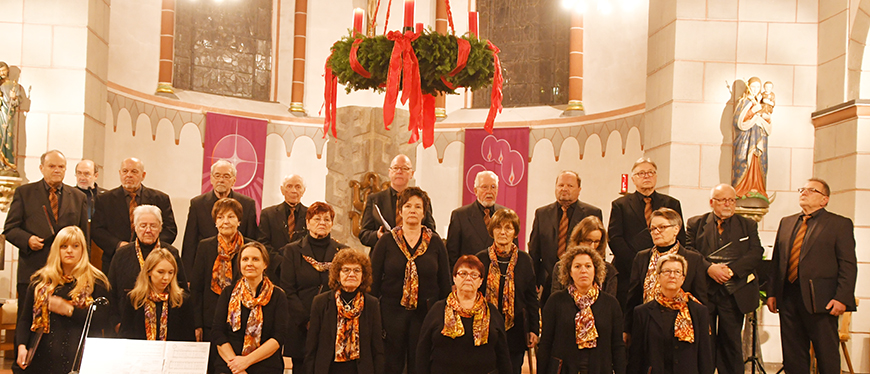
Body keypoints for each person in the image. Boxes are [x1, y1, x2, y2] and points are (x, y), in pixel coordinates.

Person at [766, 178, 857, 374]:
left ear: (825, 200)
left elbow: (848, 265)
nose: (804, 193)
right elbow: (777, 262)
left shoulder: (839, 224)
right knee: (793, 354)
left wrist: (841, 297)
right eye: (802, 189)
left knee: (827, 354)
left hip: (821, 300)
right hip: (788, 297)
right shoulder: (787, 222)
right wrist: (771, 293)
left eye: (811, 190)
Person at [371, 187, 451, 374]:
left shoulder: (436, 242)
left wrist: (444, 318)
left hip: (426, 315)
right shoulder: (386, 241)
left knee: (420, 365)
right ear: (400, 211)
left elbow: (445, 283)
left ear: (424, 212)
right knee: (391, 366)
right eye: (408, 206)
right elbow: (372, 281)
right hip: (390, 315)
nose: (413, 210)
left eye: (418, 206)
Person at [686, 184, 763, 374]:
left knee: (731, 342)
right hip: (705, 292)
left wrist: (731, 271)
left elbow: (755, 252)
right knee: (705, 341)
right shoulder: (696, 223)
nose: (728, 204)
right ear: (712, 202)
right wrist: (710, 268)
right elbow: (688, 251)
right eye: (723, 200)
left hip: (734, 292)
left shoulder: (748, 225)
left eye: (732, 200)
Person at [3, 150, 88, 323]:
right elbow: (10, 229)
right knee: (28, 322)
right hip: (34, 270)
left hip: (67, 276)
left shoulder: (78, 197)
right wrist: (28, 240)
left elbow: (84, 238)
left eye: (61, 167)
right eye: (52, 166)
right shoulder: (24, 193)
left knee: (62, 324)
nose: (57, 170)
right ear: (42, 168)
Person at [15, 226, 110, 373]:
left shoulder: (96, 282)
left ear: (83, 250)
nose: (69, 251)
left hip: (81, 358)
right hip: (43, 359)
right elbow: (25, 319)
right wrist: (21, 346)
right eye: (64, 246)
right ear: (56, 250)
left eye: (75, 246)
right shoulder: (40, 282)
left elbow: (101, 321)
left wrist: (69, 310)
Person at [280, 201, 349, 370]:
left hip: (334, 324)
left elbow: (346, 287)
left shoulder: (342, 252)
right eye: (317, 219)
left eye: (327, 219)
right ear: (307, 223)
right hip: (301, 326)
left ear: (332, 224)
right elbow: (287, 289)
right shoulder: (293, 251)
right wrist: (307, 320)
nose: (322, 223)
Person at [608, 158, 684, 309]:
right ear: (633, 179)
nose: (647, 176)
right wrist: (637, 263)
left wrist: (665, 263)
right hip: (628, 269)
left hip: (666, 269)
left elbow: (680, 237)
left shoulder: (671, 203)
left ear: (656, 177)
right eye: (641, 173)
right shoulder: (620, 205)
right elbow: (615, 238)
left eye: (650, 172)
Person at [416, 255, 511, 374]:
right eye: (463, 273)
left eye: (474, 275)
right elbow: (422, 352)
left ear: (480, 281)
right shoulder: (438, 309)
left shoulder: (492, 312)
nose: (468, 278)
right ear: (454, 278)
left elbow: (503, 356)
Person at [538, 245, 626, 374]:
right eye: (577, 266)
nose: (583, 270)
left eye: (588, 266)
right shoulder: (555, 301)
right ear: (569, 271)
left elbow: (617, 346)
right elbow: (546, 343)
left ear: (595, 270)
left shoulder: (611, 304)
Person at [624, 208, 706, 340]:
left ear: (676, 229)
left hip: (679, 327)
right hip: (647, 325)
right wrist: (627, 329)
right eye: (652, 229)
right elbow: (633, 296)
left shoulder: (693, 259)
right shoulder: (642, 257)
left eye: (662, 227)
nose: (656, 232)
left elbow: (700, 299)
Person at [475, 208, 538, 374]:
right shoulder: (480, 259)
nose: (503, 232)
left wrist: (534, 330)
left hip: (516, 330)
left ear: (515, 232)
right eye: (498, 227)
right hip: (485, 328)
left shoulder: (525, 260)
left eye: (508, 228)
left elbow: (532, 298)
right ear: (492, 230)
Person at [108, 205, 188, 333]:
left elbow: (182, 289)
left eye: (153, 226)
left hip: (168, 325)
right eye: (143, 225)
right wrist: (116, 322)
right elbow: (111, 292)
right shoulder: (121, 255)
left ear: (160, 228)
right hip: (130, 326)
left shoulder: (171, 253)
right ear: (135, 227)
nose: (148, 230)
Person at [628, 253, 712, 374]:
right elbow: (636, 357)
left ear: (683, 278)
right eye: (667, 271)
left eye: (677, 272)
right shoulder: (642, 312)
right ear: (658, 277)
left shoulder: (699, 311)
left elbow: (705, 357)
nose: (672, 276)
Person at [304, 248, 384, 374]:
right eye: (346, 270)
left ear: (363, 276)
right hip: (328, 369)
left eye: (357, 270)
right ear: (337, 274)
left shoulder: (372, 304)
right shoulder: (320, 302)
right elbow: (311, 348)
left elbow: (377, 349)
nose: (351, 274)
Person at [212, 242, 288, 374]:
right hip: (230, 365)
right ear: (239, 264)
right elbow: (218, 333)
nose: (249, 263)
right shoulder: (228, 293)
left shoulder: (278, 295)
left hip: (266, 366)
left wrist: (246, 361)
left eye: (255, 259)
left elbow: (278, 337)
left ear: (265, 264)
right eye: (245, 259)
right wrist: (237, 367)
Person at [92, 157, 177, 272]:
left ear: (143, 175)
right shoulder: (104, 200)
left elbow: (170, 229)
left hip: (153, 261)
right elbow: (97, 230)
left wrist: (151, 245)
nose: (129, 175)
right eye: (125, 171)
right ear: (120, 173)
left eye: (134, 172)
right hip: (115, 260)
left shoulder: (160, 199)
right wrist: (118, 245)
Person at [530, 170, 602, 305]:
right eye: (561, 185)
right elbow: (535, 250)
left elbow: (597, 251)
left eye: (570, 186)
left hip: (581, 281)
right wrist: (535, 280)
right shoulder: (542, 213)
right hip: (548, 281)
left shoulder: (592, 213)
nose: (564, 189)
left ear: (579, 189)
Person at [190, 197, 253, 344]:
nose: (226, 221)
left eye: (231, 217)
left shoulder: (251, 247)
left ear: (239, 221)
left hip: (242, 318)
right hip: (211, 318)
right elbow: (197, 288)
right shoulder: (205, 246)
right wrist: (197, 323)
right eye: (221, 217)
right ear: (215, 222)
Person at [182, 160, 258, 275]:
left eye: (226, 176)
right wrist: (187, 275)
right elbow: (190, 242)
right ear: (211, 179)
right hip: (206, 264)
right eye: (217, 175)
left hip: (238, 266)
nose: (221, 180)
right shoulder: (197, 204)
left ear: (233, 181)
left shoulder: (247, 204)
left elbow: (251, 239)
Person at [358, 154, 436, 247]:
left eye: (404, 168)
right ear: (389, 172)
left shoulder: (421, 199)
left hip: (414, 254)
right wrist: (378, 235)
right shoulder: (375, 199)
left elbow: (431, 232)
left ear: (412, 173)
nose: (399, 171)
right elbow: (364, 235)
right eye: (395, 168)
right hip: (383, 255)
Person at [120, 248, 195, 341]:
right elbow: (125, 336)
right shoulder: (134, 298)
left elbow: (188, 338)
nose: (166, 278)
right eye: (161, 272)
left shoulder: (182, 300)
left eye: (170, 272)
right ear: (149, 272)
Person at [446, 170, 509, 266]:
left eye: (493, 187)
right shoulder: (460, 216)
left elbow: (513, 251)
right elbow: (452, 255)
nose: (489, 191)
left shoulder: (506, 215)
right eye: (484, 187)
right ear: (475, 190)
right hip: (470, 275)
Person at [551, 216, 618, 297]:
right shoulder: (560, 267)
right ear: (578, 239)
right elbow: (556, 300)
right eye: (588, 241)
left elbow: (610, 304)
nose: (592, 246)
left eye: (596, 241)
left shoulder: (609, 271)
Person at [732, 76, 772, 200]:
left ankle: (757, 188)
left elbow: (768, 121)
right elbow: (738, 121)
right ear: (748, 87)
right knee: (744, 160)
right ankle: (741, 189)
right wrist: (753, 111)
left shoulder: (761, 103)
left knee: (757, 160)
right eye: (753, 86)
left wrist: (763, 116)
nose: (755, 89)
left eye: (757, 87)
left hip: (759, 138)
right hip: (745, 139)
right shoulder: (744, 101)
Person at [258, 174, 308, 254]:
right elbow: (263, 243)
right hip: (275, 263)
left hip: (301, 264)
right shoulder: (268, 214)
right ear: (282, 190)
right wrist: (280, 261)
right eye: (289, 186)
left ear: (303, 191)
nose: (294, 190)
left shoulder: (311, 215)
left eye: (298, 187)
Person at [0, 61, 20, 171]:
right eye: (0, 72)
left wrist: (14, 97)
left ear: (7, 71)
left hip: (7, 114)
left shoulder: (13, 85)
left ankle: (8, 163)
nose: (2, 73)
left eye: (3, 71)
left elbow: (18, 101)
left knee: (7, 138)